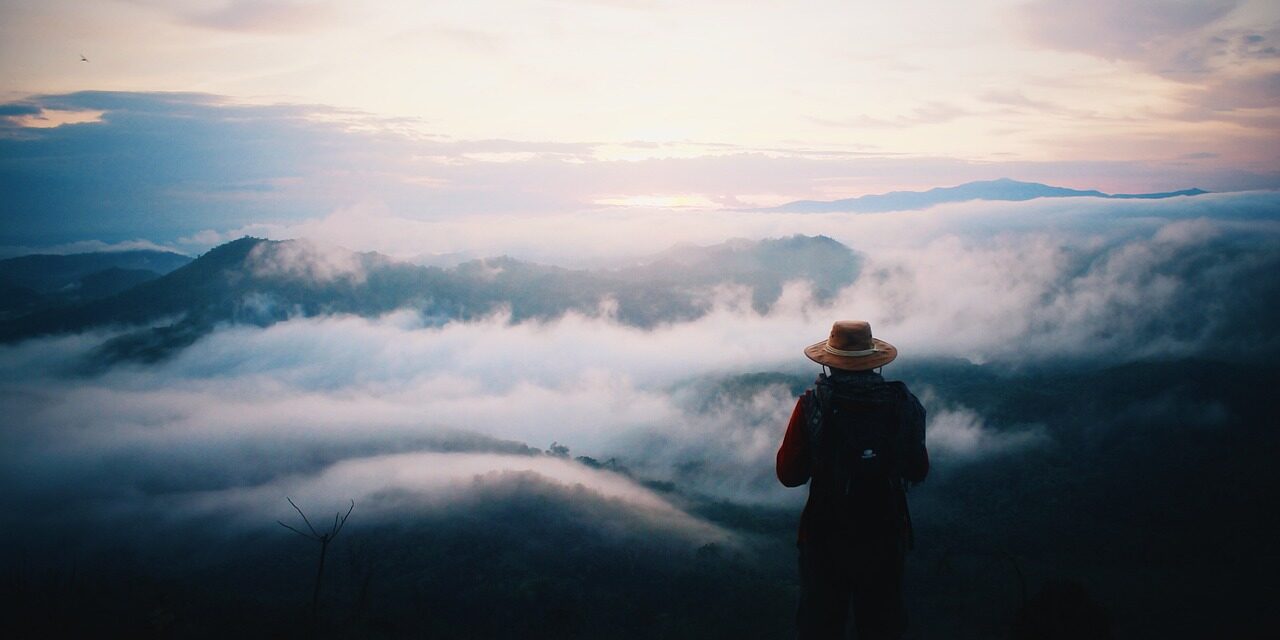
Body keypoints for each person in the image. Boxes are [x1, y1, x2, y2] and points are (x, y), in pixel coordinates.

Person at [776, 320, 929, 640]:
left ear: (829, 363)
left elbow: (789, 475)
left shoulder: (812, 405)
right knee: (881, 626)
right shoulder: (902, 403)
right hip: (886, 533)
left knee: (821, 626)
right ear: (876, 362)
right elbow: (917, 470)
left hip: (824, 535)